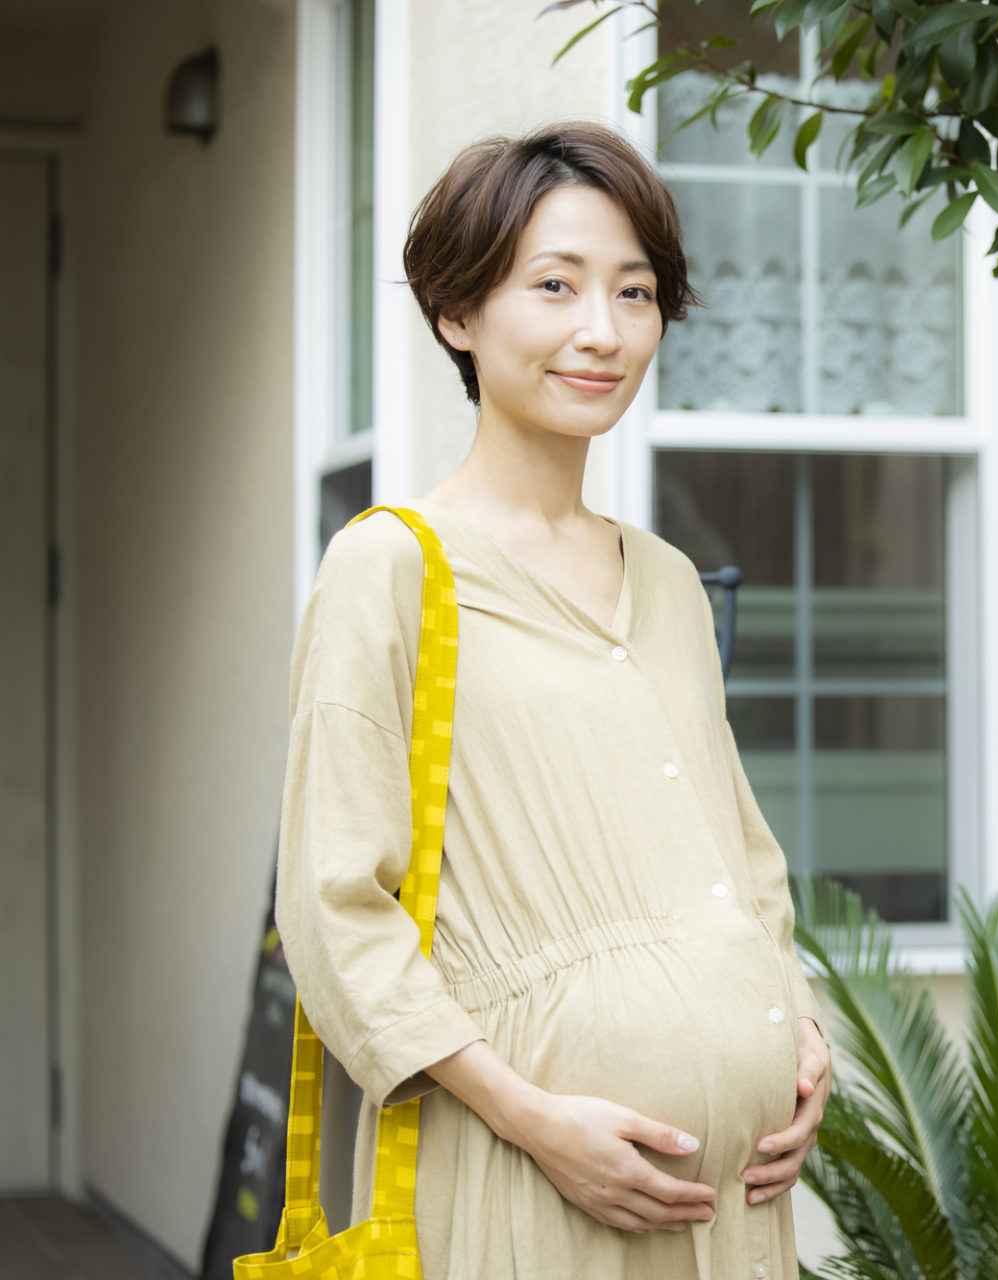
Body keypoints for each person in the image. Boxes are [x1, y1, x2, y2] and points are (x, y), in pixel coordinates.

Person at [275, 121, 830, 1280]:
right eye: (556, 285)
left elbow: (739, 856)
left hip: (736, 1211)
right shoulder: (393, 568)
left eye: (636, 292)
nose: (604, 332)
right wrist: (531, 1117)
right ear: (457, 313)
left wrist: (799, 1026)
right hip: (526, 1181)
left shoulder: (668, 581)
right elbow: (335, 907)